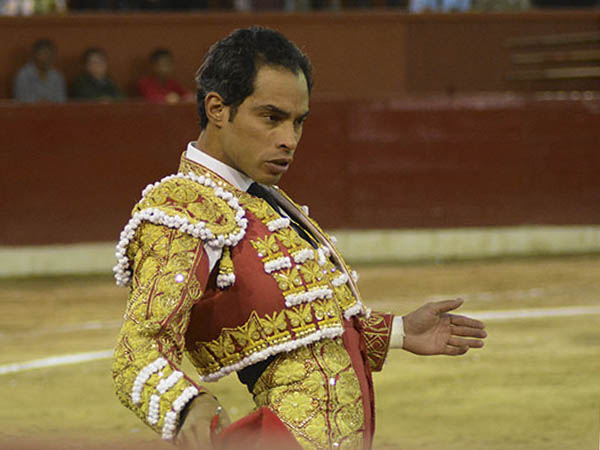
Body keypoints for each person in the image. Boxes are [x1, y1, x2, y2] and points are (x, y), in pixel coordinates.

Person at [112, 26, 487, 450]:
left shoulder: (262, 198)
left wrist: (398, 331)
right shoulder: (184, 209)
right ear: (217, 108)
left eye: (298, 122)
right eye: (271, 118)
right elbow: (136, 352)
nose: (289, 140)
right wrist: (187, 405)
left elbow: (302, 331)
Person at [13, 39, 66, 103]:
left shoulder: (57, 76)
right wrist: (41, 103)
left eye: (51, 54)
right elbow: (21, 99)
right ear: (34, 55)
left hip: (53, 109)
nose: (48, 58)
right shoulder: (23, 75)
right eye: (45, 54)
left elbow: (61, 100)